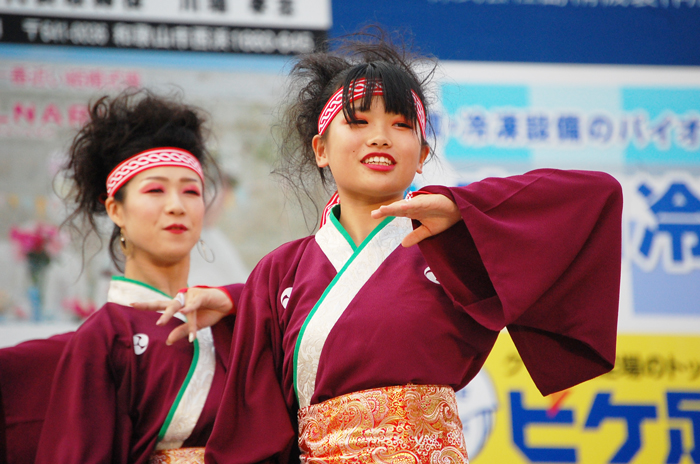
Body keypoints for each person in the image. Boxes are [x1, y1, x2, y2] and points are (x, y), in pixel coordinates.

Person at [149, 31, 623, 463]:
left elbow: (597, 195)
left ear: (421, 156)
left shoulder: (450, 244)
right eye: (358, 122)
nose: (380, 136)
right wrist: (239, 302)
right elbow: (256, 416)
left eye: (401, 124)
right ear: (321, 149)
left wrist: (463, 208)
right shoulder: (280, 272)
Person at [34, 89, 242, 464]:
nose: (176, 206)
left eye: (191, 191)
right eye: (155, 190)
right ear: (115, 209)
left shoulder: (232, 322)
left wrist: (234, 303)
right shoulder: (104, 338)